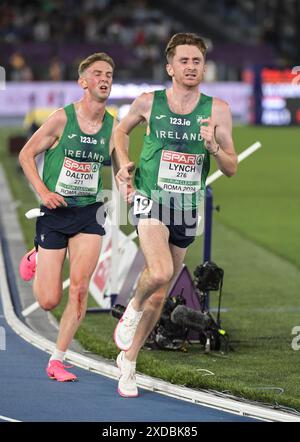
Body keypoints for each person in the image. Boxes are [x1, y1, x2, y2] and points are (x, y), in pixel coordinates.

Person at [113, 33, 238, 397]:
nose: (191, 67)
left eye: (196, 61)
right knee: (162, 271)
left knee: (160, 295)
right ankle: (131, 308)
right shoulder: (149, 102)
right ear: (170, 67)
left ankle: (129, 362)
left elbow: (231, 167)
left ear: (204, 67)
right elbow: (120, 131)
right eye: (184, 61)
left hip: (186, 205)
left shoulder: (218, 110)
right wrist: (123, 165)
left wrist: (215, 147)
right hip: (150, 196)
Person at [19, 52, 116, 382]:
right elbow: (26, 154)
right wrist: (43, 193)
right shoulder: (62, 119)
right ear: (83, 82)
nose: (104, 78)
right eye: (97, 73)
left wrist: (129, 181)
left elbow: (121, 169)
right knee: (48, 300)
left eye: (109, 75)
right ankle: (36, 254)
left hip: (89, 214)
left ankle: (57, 359)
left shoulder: (113, 127)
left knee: (79, 288)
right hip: (55, 213)